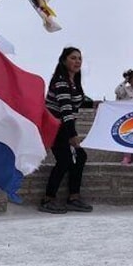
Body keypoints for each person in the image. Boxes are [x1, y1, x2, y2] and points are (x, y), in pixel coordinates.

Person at [39, 47, 95, 214]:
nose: (77, 61)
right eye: (73, 58)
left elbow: (79, 101)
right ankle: (48, 199)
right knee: (65, 160)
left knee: (79, 157)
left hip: (63, 125)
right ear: (64, 61)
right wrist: (72, 135)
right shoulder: (61, 81)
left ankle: (73, 197)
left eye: (79, 58)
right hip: (55, 126)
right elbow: (65, 110)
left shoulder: (73, 82)